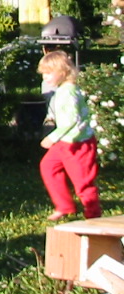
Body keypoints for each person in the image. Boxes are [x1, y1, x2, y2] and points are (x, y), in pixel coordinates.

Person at [38, 49, 101, 221]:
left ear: (63, 72)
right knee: (48, 166)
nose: (45, 77)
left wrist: (52, 137)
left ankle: (93, 215)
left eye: (48, 73)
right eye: (43, 74)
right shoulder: (62, 90)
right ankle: (64, 206)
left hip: (78, 144)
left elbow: (72, 120)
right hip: (66, 142)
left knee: (83, 181)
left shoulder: (69, 92)